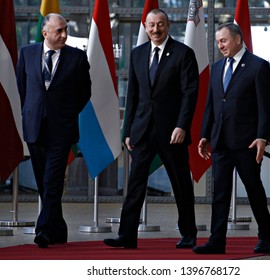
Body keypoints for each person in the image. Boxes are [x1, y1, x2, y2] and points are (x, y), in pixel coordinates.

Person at [103, 9, 199, 249]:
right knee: (135, 184)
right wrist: (127, 132)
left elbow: (190, 94)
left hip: (173, 133)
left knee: (180, 185)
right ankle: (126, 235)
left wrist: (182, 126)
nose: (156, 30)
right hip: (142, 131)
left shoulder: (183, 53)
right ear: (145, 27)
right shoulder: (137, 54)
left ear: (168, 26)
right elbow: (133, 96)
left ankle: (188, 233)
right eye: (152, 25)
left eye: (161, 25)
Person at [193, 23, 270, 254]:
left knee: (253, 190)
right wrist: (205, 135)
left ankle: (265, 238)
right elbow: (211, 105)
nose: (220, 45)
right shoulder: (217, 68)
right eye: (218, 42)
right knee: (220, 193)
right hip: (220, 142)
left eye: (224, 40)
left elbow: (265, 108)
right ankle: (216, 241)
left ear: (238, 39)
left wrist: (262, 137)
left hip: (246, 142)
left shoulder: (258, 66)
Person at [16, 13, 91, 248]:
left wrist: (65, 113)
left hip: (62, 129)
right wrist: (32, 112)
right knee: (43, 181)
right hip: (35, 126)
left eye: (65, 29)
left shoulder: (77, 57)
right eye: (58, 31)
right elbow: (22, 89)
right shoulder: (27, 53)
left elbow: (84, 93)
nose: (64, 35)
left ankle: (45, 230)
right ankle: (59, 228)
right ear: (45, 32)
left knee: (53, 179)